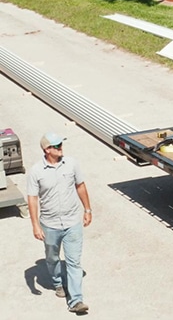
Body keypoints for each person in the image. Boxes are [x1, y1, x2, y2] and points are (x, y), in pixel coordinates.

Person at [27, 133, 92, 315]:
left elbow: (81, 186)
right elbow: (32, 199)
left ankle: (76, 300)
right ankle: (57, 282)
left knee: (74, 262)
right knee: (53, 258)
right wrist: (35, 225)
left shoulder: (72, 164)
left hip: (72, 222)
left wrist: (87, 210)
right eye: (56, 145)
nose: (60, 147)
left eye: (61, 144)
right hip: (50, 224)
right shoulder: (36, 171)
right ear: (47, 149)